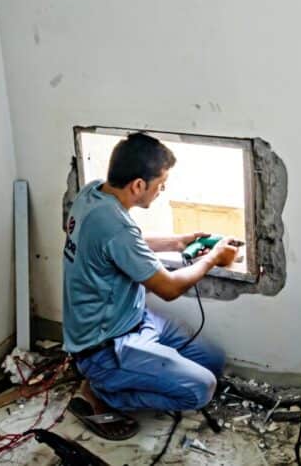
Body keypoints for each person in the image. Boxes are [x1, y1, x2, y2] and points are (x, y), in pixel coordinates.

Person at [62, 132, 240, 440]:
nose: (163, 190)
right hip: (106, 346)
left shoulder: (93, 194)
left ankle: (119, 378)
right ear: (138, 185)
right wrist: (212, 259)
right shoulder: (116, 225)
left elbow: (121, 245)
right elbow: (169, 289)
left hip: (134, 320)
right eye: (160, 184)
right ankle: (103, 393)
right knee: (201, 388)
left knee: (212, 361)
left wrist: (177, 241)